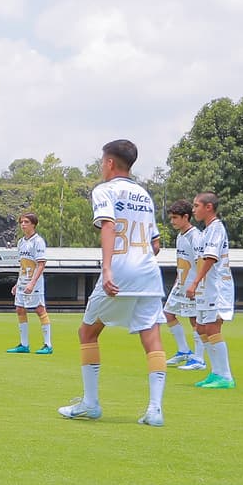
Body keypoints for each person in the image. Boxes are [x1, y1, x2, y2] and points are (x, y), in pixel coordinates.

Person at [58, 140, 166, 426]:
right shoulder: (145, 195)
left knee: (88, 333)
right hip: (149, 273)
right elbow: (155, 244)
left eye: (101, 161)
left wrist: (107, 269)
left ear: (109, 163)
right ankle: (155, 410)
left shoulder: (105, 190)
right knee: (152, 336)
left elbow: (108, 224)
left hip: (119, 270)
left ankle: (90, 403)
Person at [185, 192, 235, 389]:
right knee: (201, 328)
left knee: (213, 327)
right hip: (206, 288)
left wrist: (195, 282)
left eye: (196, 205)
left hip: (216, 288)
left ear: (208, 207)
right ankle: (215, 372)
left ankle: (226, 376)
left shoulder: (216, 228)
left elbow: (211, 258)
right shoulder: (205, 232)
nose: (193, 209)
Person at [162, 200, 205, 370]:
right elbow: (182, 262)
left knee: (195, 320)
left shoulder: (195, 236)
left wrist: (195, 284)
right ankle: (184, 351)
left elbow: (200, 262)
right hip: (180, 285)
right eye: (171, 218)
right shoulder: (180, 236)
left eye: (175, 218)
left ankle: (199, 359)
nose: (172, 221)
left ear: (186, 217)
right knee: (168, 313)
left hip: (192, 286)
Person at [6, 212, 52, 355]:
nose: (23, 225)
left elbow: (41, 264)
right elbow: (22, 265)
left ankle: (48, 345)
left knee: (39, 309)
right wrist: (17, 283)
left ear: (33, 224)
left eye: (26, 222)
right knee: (19, 309)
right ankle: (24, 344)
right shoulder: (21, 242)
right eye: (21, 222)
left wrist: (32, 283)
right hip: (22, 281)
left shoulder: (38, 241)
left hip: (34, 282)